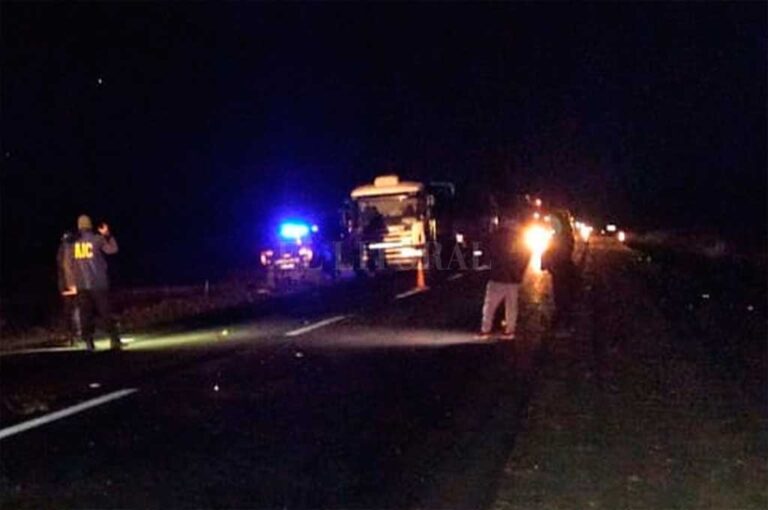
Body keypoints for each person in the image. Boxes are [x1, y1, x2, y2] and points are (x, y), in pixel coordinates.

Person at [69, 214, 121, 351]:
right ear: (90, 225)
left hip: (81, 285)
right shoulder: (97, 239)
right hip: (98, 283)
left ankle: (88, 343)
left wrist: (71, 283)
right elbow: (113, 250)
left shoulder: (73, 243)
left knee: (85, 314)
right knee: (105, 312)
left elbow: (69, 265)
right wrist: (107, 235)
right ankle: (114, 340)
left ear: (79, 227)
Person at [477, 221, 530, 340]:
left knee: (490, 305)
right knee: (511, 306)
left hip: (497, 276)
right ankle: (509, 331)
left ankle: (485, 330)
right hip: (513, 278)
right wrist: (519, 272)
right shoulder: (520, 239)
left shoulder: (495, 237)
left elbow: (486, 253)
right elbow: (525, 257)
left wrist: (487, 266)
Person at [544, 210, 577, 337]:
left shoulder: (563, 236)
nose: (551, 224)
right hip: (559, 270)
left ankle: (565, 325)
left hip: (562, 270)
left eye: (553, 222)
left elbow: (561, 253)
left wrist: (550, 259)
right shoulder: (558, 235)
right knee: (560, 298)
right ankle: (561, 324)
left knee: (563, 298)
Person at [56, 231, 81, 345]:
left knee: (69, 311)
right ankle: (76, 334)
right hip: (72, 285)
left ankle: (71, 335)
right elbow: (68, 268)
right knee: (75, 309)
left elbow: (62, 269)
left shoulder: (61, 251)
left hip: (65, 285)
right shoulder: (71, 250)